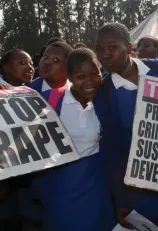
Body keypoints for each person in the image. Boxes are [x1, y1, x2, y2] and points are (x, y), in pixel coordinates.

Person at [95, 22, 158, 229]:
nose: (105, 54)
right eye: (100, 49)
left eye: (112, 47)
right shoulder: (103, 92)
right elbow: (112, 153)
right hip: (134, 188)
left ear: (129, 48)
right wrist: (122, 200)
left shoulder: (157, 68)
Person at [34, 48, 115, 231]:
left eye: (95, 74)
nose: (89, 82)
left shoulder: (103, 99)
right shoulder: (50, 101)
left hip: (96, 185)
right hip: (63, 186)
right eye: (81, 76)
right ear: (69, 76)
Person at [0, 49, 35, 231]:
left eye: (30, 63)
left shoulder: (29, 91)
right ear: (5, 67)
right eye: (22, 63)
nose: (29, 67)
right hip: (0, 186)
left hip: (23, 178)